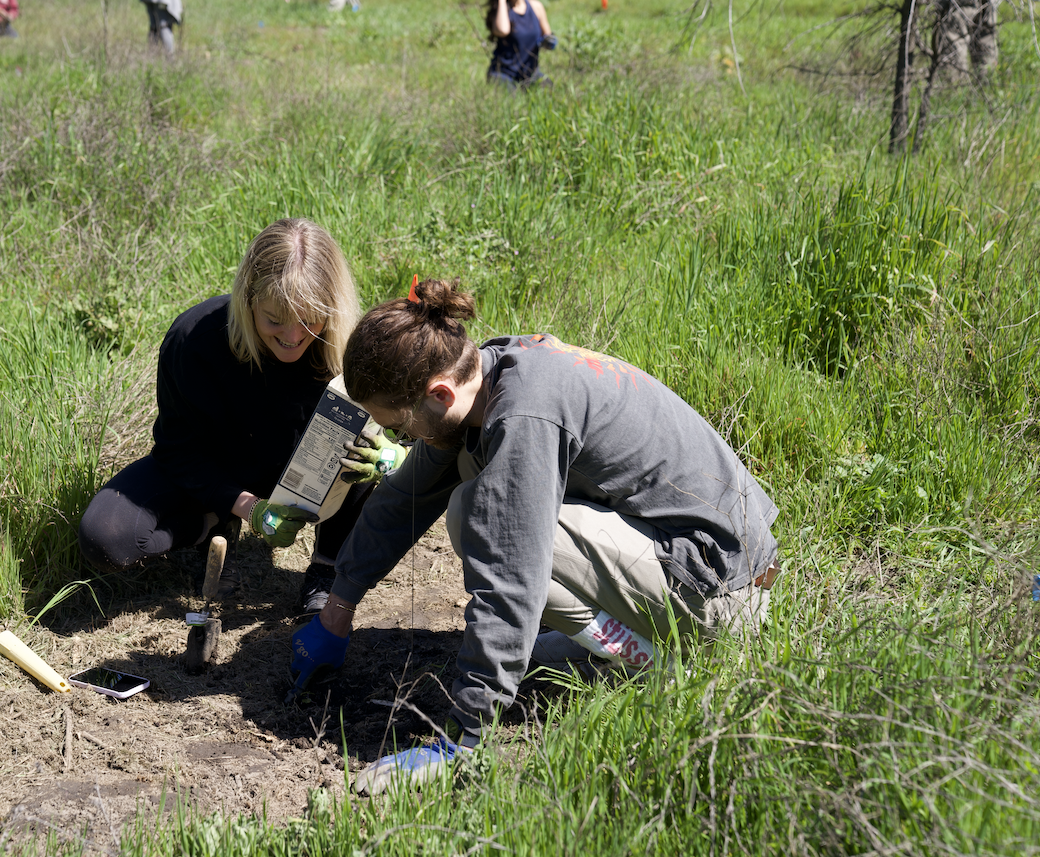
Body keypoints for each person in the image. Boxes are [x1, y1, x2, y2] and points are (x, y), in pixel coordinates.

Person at [288, 279, 781, 793]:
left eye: (403, 429)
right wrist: (337, 609)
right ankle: (617, 644)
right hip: (685, 554)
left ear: (438, 392)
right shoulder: (484, 375)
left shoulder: (524, 414)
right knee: (468, 483)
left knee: (480, 510)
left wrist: (463, 737)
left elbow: (511, 577)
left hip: (723, 588)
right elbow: (402, 500)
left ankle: (658, 663)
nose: (404, 441)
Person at [78, 219, 400, 614]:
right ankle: (212, 521)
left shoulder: (349, 346)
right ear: (248, 299)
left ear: (332, 306)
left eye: (309, 320)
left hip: (307, 471)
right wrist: (249, 508)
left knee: (363, 453)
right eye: (274, 319)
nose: (294, 336)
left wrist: (391, 454)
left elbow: (404, 422)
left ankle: (327, 567)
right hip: (221, 465)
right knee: (105, 537)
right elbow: (178, 452)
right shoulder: (193, 340)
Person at [485, 0, 556, 90]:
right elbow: (502, 30)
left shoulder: (536, 7)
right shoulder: (501, 10)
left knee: (549, 89)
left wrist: (548, 41)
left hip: (531, 74)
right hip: (503, 74)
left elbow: (548, 36)